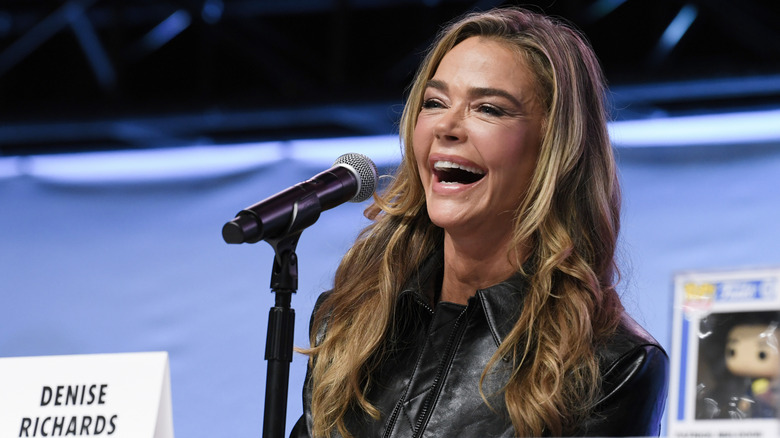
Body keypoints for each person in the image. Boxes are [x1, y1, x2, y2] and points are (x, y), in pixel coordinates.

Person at [291, 6, 668, 437]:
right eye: (434, 103)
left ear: (555, 148)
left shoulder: (611, 365)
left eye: (488, 109)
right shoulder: (351, 317)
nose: (447, 126)